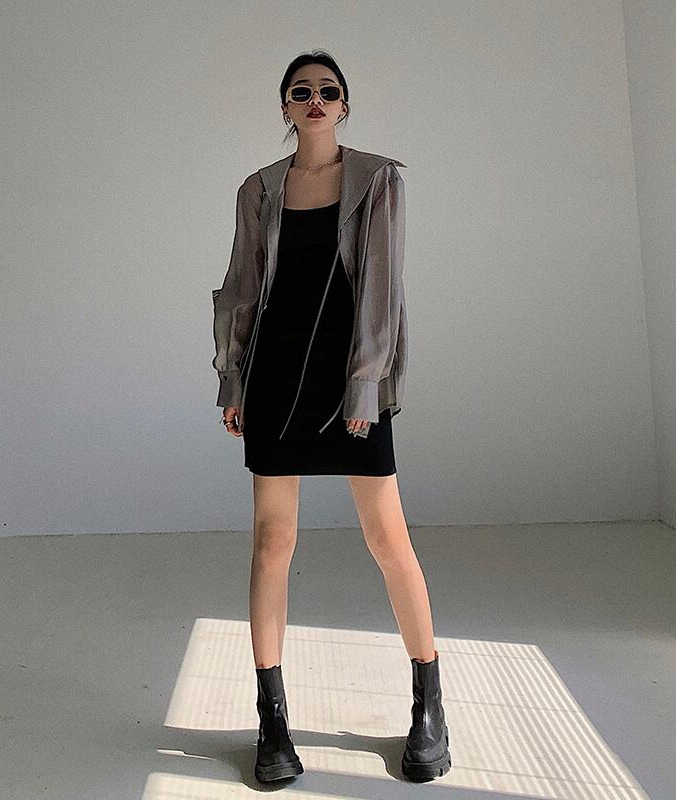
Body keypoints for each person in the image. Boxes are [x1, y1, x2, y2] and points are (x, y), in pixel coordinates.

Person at [211, 50, 451, 784]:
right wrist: (233, 378)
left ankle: (429, 705)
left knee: (387, 538)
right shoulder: (258, 188)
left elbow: (383, 292)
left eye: (328, 90)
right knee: (272, 543)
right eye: (300, 91)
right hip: (276, 375)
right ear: (285, 108)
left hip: (351, 376)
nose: (315, 99)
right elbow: (241, 287)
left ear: (344, 105)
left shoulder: (378, 180)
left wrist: (364, 388)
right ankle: (272, 722)